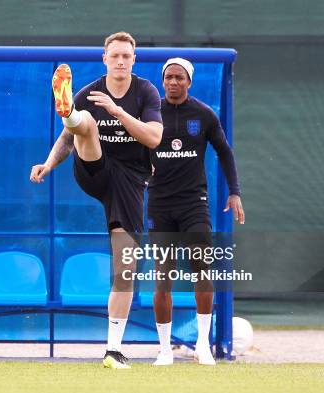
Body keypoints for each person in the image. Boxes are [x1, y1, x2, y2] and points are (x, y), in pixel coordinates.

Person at [30, 32, 163, 369]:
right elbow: (65, 141)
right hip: (95, 170)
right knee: (84, 123)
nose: (120, 61)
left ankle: (113, 350)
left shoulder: (146, 91)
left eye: (126, 56)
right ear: (104, 58)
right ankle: (69, 113)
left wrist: (118, 112)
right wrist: (48, 163)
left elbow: (154, 136)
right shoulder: (89, 91)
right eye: (115, 55)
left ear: (135, 60)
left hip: (131, 181)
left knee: (126, 267)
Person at [148, 57, 245, 366]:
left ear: (189, 82)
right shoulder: (149, 114)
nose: (173, 82)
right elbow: (132, 150)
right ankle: (164, 350)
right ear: (163, 81)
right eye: (169, 77)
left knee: (202, 269)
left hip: (194, 203)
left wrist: (235, 192)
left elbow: (225, 153)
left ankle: (203, 345)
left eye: (179, 77)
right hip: (159, 204)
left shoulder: (204, 115)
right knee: (162, 276)